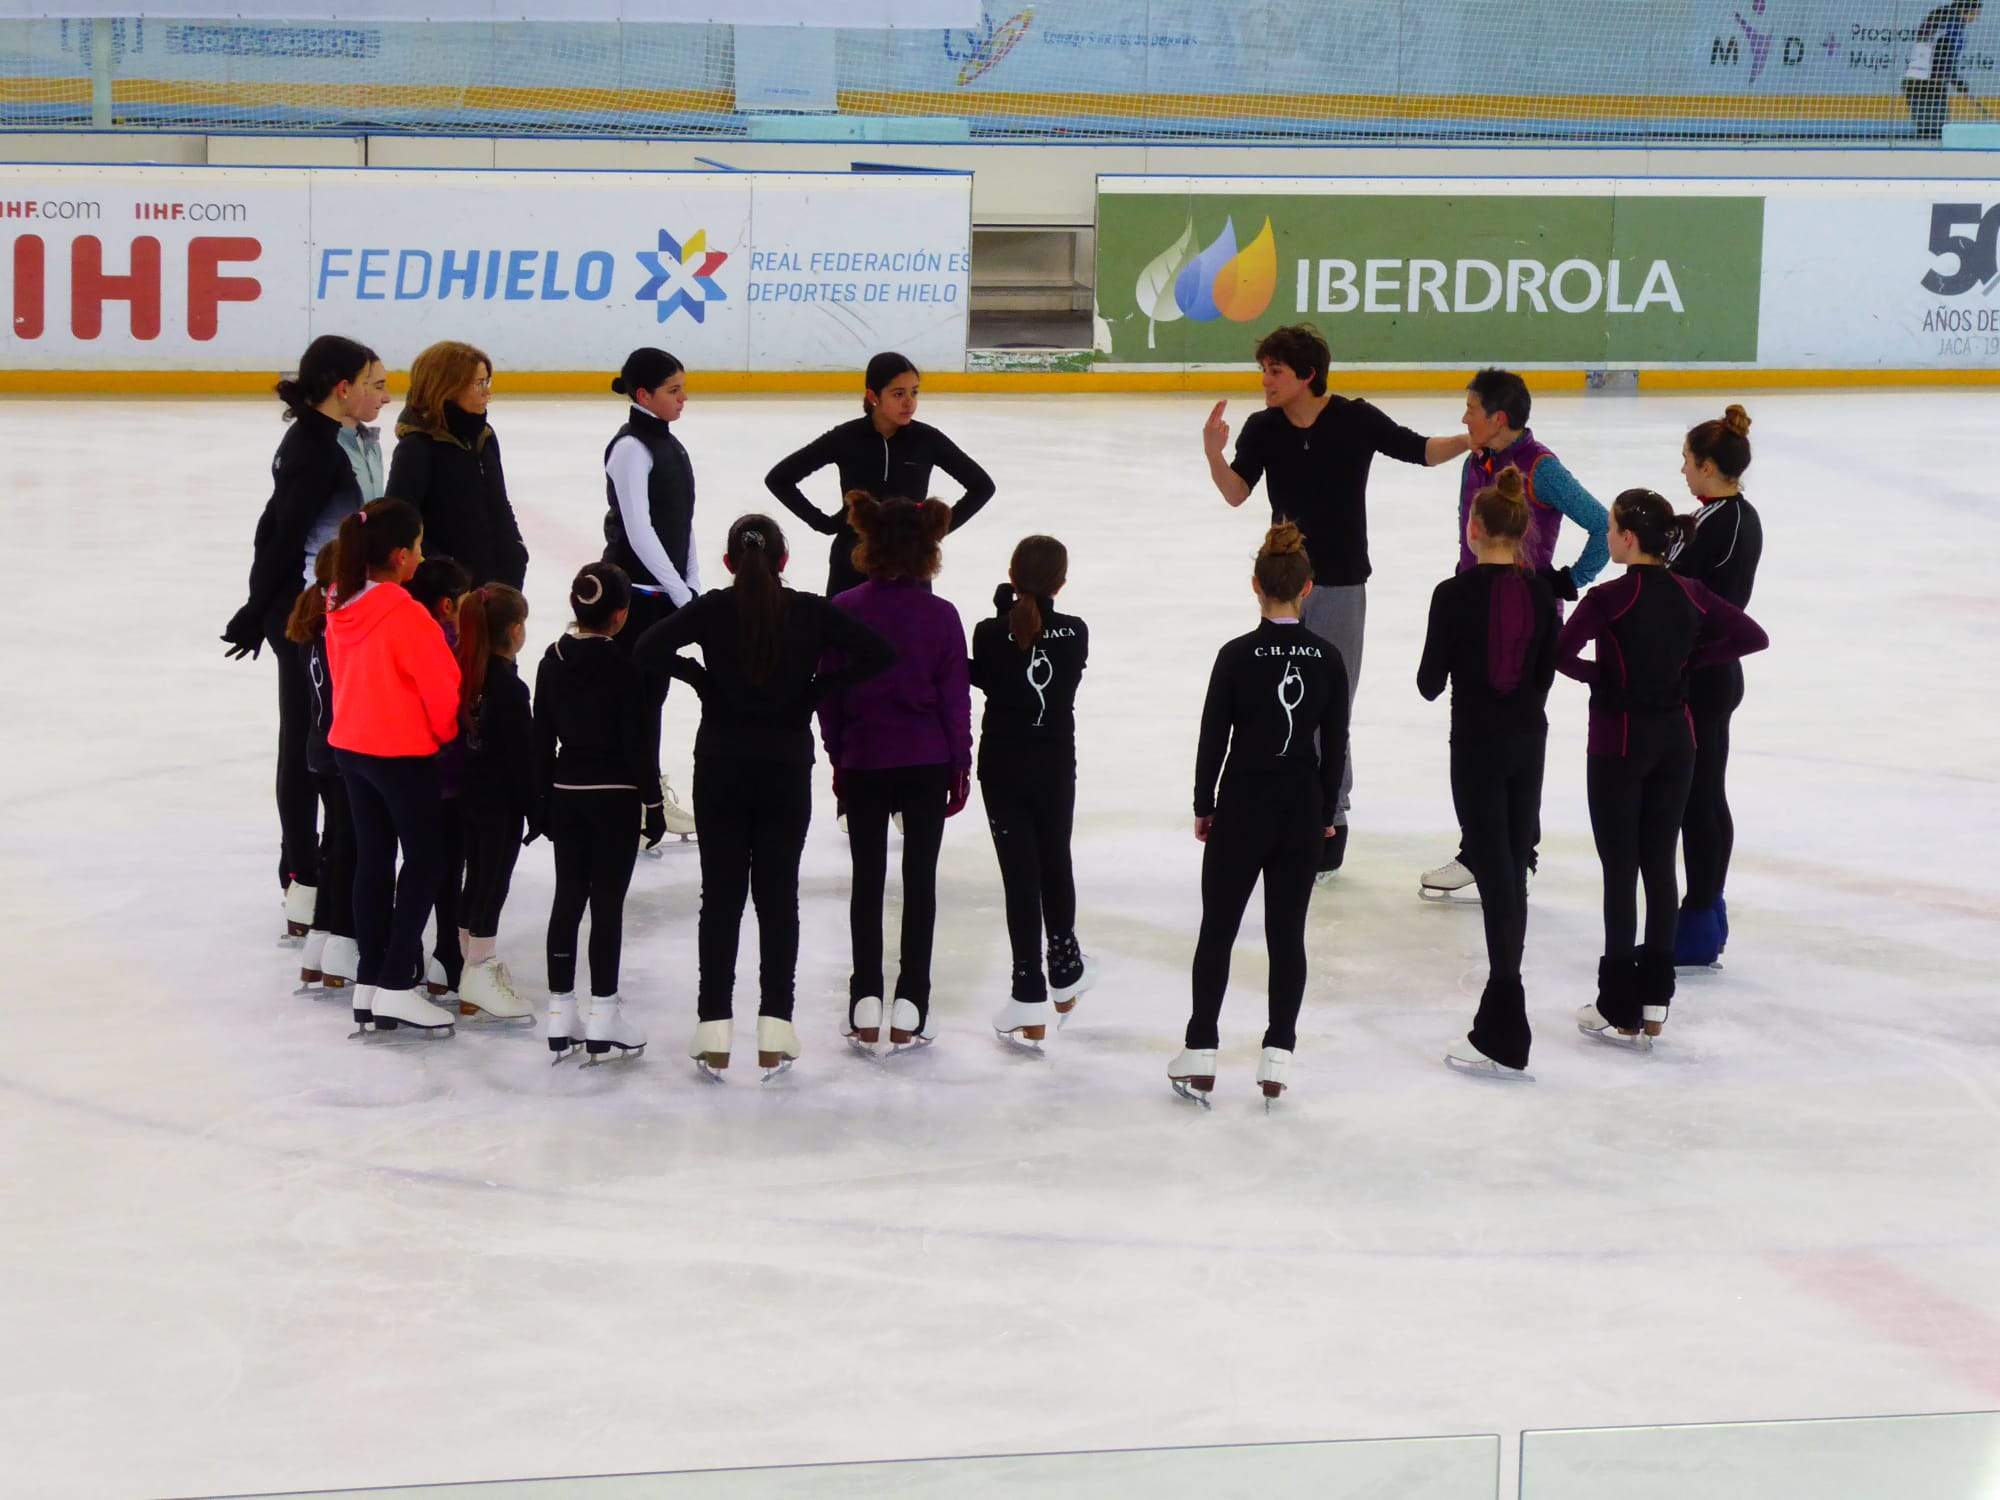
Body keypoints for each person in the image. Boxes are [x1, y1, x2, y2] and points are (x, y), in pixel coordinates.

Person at [632, 515, 896, 1080]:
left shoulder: (712, 610)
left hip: (721, 765)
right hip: (784, 768)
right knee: (779, 899)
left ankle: (714, 1027)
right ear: (783, 561)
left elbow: (647, 647)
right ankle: (776, 1027)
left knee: (721, 898)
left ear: (728, 563)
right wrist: (815, 690)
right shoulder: (806, 610)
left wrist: (702, 681)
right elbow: (878, 654)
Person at [1203, 323, 1468, 878]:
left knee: (1332, 705)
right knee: (1279, 700)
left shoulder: (1354, 418)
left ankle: (1331, 818)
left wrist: (1473, 440)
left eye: (1275, 371)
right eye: (1264, 370)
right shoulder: (1263, 428)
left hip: (1344, 582)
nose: (1265, 381)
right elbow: (1235, 493)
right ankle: (1284, 808)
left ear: (1306, 375)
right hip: (1283, 583)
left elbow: (1419, 450)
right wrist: (1213, 453)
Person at [1557, 490, 1768, 1050]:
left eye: (1609, 530)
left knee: (1620, 871)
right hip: (1678, 741)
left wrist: (1597, 678)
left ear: (1628, 539)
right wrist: (1691, 660)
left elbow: (1557, 651)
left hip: (1618, 744)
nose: (1606, 538)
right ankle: (1655, 1001)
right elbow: (1752, 636)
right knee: (1658, 865)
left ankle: (1616, 1003)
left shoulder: (1608, 599)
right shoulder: (1692, 593)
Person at [1169, 523, 1349, 1109]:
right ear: (1309, 589)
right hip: (1299, 811)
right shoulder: (1326, 657)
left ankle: (1200, 1051)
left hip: (1242, 807)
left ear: (1255, 586)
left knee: (1217, 931)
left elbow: (1211, 736)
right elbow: (1335, 743)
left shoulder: (1236, 654)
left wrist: (1204, 804)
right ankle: (1278, 1053)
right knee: (1286, 935)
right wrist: (1326, 813)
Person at [1419, 367, 1609, 902]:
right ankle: (1484, 848)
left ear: (1498, 418)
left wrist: (1569, 580)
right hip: (1474, 612)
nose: (1463, 418)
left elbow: (1600, 522)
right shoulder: (1475, 462)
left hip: (1527, 622)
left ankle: (1512, 852)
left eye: (1471, 409)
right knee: (1473, 730)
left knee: (1517, 733)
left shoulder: (1541, 469)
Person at [221, 335, 388, 937]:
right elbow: (278, 535)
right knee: (305, 740)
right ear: (343, 389)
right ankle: (300, 871)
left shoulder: (349, 440)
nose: (385, 395)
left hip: (340, 608)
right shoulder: (315, 452)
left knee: (324, 735)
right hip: (306, 612)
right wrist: (257, 609)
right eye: (374, 382)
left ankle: (320, 863)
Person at [1416, 468, 1559, 1081]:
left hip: (1475, 744)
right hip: (1528, 742)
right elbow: (1544, 676)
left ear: (1473, 529)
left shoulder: (1454, 594)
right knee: (1512, 867)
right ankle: (1505, 1009)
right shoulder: (1541, 590)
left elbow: (1428, 683)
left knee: (1497, 871)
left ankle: (1505, 1022)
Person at [817, 493, 973, 1054]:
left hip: (864, 760)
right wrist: (960, 763)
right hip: (927, 760)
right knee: (920, 882)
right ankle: (911, 1002)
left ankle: (864, 1000)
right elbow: (955, 698)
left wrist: (838, 753)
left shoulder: (846, 608)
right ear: (929, 550)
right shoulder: (942, 615)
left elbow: (828, 693)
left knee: (866, 880)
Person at [324, 498, 463, 1039]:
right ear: (402, 556)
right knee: (427, 862)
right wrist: (444, 736)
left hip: (352, 747)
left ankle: (370, 983)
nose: (422, 558)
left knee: (374, 862)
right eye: (420, 548)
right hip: (401, 753)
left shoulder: (341, 600)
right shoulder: (407, 615)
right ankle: (397, 987)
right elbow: (442, 690)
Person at [534, 563, 661, 1064]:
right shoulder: (626, 667)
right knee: (607, 903)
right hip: (616, 797)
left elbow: (540, 736)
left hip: (567, 791)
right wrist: (652, 802)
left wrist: (540, 800)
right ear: (621, 616)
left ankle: (560, 1013)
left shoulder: (552, 659)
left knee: (568, 895)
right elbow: (638, 743)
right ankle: (604, 1014)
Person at [970, 537, 1094, 1049]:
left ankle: (1028, 991)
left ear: (1011, 574)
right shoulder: (1076, 632)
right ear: (1061, 584)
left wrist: (1004, 608)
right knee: (1054, 860)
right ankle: (1064, 972)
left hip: (1003, 767)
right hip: (1053, 766)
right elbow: (1043, 640)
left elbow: (993, 667)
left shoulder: (988, 632)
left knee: (1020, 875)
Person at [765, 352, 996, 597]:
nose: (909, 402)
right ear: (873, 396)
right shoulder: (846, 437)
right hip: (853, 560)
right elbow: (780, 478)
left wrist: (934, 529)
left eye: (914, 392)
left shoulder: (927, 440)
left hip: (910, 561)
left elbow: (982, 486)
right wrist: (823, 523)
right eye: (898, 394)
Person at [1667, 406, 1764, 968]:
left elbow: (1683, 592)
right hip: (1705, 670)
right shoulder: (1720, 517)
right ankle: (1706, 911)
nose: (1681, 470)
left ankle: (1701, 917)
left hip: (1705, 673)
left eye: (1686, 461)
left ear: (1708, 466)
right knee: (1701, 793)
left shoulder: (1725, 524)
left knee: (1699, 797)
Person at [603, 346, 699, 843]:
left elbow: (682, 523)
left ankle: (647, 796)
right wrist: (680, 593)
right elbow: (639, 533)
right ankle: (641, 800)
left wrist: (691, 583)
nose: (684, 398)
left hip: (662, 593)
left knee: (654, 698)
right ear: (644, 395)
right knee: (637, 701)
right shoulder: (630, 449)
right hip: (635, 598)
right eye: (673, 390)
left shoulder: (669, 445)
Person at [450, 584, 536, 1024]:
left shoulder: (461, 672)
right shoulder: (509, 687)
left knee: (475, 877)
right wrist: (538, 808)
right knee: (491, 883)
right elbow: (522, 758)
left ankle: (467, 964)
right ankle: (479, 970)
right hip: (500, 804)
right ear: (515, 630)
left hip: (465, 796)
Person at [386, 340, 528, 590]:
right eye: (478, 383)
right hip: (444, 595)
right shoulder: (416, 448)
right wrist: (446, 573)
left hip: (496, 585)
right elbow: (399, 526)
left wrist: (516, 552)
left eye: (487, 382)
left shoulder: (484, 437)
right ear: (447, 388)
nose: (487, 393)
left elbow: (499, 503)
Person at [283, 542, 358, 1000]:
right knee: (348, 846)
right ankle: (338, 943)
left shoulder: (312, 621)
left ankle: (319, 946)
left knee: (336, 843)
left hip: (319, 750)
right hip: (340, 751)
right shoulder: (337, 627)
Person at [404, 554, 472, 1003]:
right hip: (445, 775)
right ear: (447, 605)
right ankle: (447, 956)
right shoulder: (448, 643)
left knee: (418, 864)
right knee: (446, 870)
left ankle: (412, 952)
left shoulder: (406, 632)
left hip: (407, 771)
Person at [1904, 1, 1985, 138]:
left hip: (1917, 82)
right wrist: (1955, 80)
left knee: (1931, 132)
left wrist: (1954, 79)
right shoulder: (1952, 25)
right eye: (1976, 13)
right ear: (1966, 11)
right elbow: (1942, 55)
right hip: (1928, 84)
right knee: (1935, 133)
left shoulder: (1944, 18)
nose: (1976, 17)